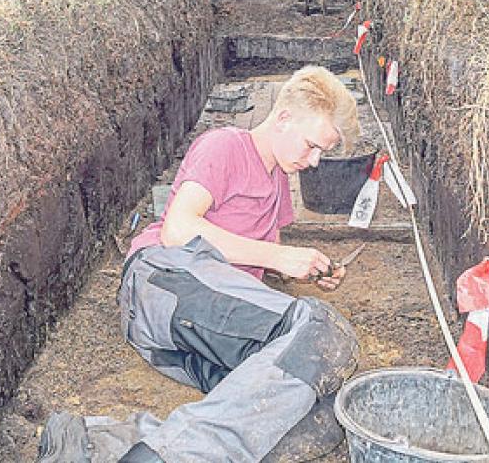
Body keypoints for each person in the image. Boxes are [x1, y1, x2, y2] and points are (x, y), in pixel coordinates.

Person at [38, 66, 362, 463]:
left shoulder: (277, 179)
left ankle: (93, 444)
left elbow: (258, 257)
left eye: (322, 153)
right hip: (164, 280)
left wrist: (302, 268)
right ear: (283, 118)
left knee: (319, 415)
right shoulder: (225, 146)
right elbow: (178, 229)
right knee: (322, 330)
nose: (313, 161)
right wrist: (278, 257)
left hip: (199, 330)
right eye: (312, 146)